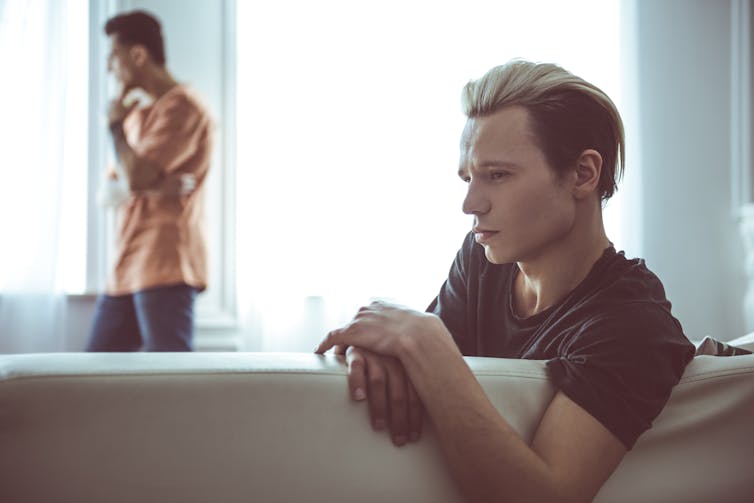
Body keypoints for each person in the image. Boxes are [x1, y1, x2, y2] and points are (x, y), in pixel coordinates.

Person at [315, 60, 695, 502]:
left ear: (583, 174)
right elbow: (415, 364)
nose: (471, 203)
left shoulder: (634, 323)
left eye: (498, 176)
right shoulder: (482, 261)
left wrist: (423, 339)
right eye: (468, 178)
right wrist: (386, 349)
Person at [86, 10, 213, 352]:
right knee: (89, 376)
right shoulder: (137, 116)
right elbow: (108, 193)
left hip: (166, 263)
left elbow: (135, 176)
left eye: (114, 57)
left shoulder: (183, 108)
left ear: (137, 55)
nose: (111, 68)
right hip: (126, 263)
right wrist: (150, 185)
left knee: (167, 383)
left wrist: (115, 128)